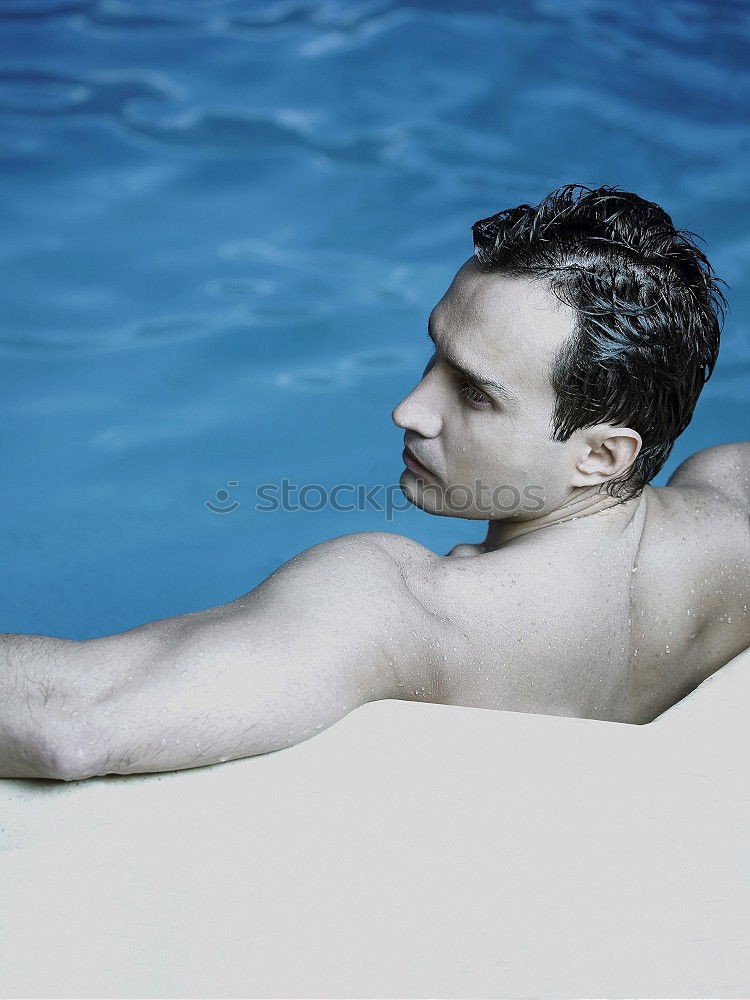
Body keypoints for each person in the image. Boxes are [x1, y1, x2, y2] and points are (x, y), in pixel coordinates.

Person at [2, 183, 748, 782]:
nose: (411, 409)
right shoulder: (733, 501)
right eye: (435, 357)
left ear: (602, 457)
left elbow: (74, 725)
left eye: (475, 393)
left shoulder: (409, 611)